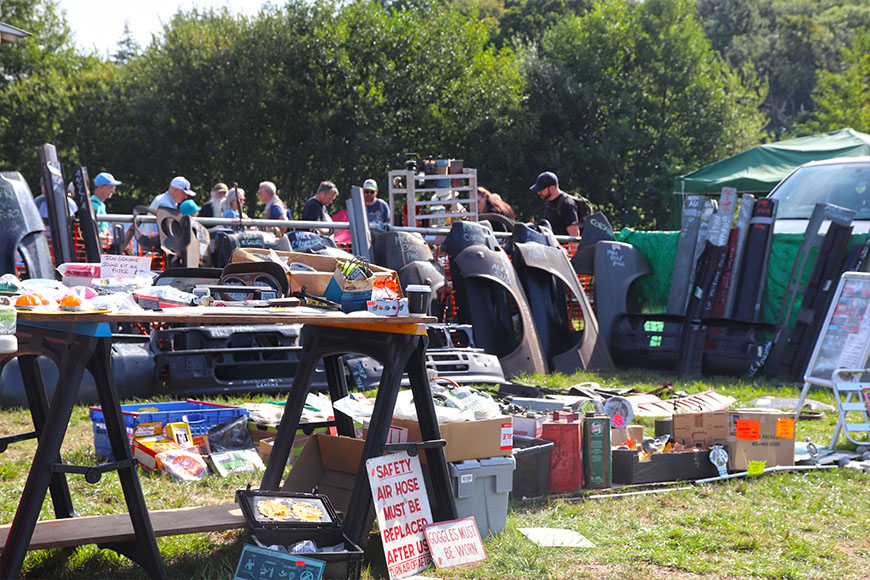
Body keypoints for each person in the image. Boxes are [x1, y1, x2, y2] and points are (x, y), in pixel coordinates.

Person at [530, 171, 590, 237]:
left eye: (541, 190)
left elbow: (574, 234)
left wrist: (568, 247)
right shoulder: (548, 202)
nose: (538, 193)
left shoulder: (567, 204)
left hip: (564, 246)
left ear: (552, 188)